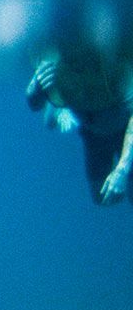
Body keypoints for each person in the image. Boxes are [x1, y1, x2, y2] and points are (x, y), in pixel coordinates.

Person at [27, 48, 133, 205]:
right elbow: (44, 115)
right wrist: (36, 86)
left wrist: (122, 170)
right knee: (101, 197)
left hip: (123, 128)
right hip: (92, 134)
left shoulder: (113, 61)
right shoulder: (56, 62)